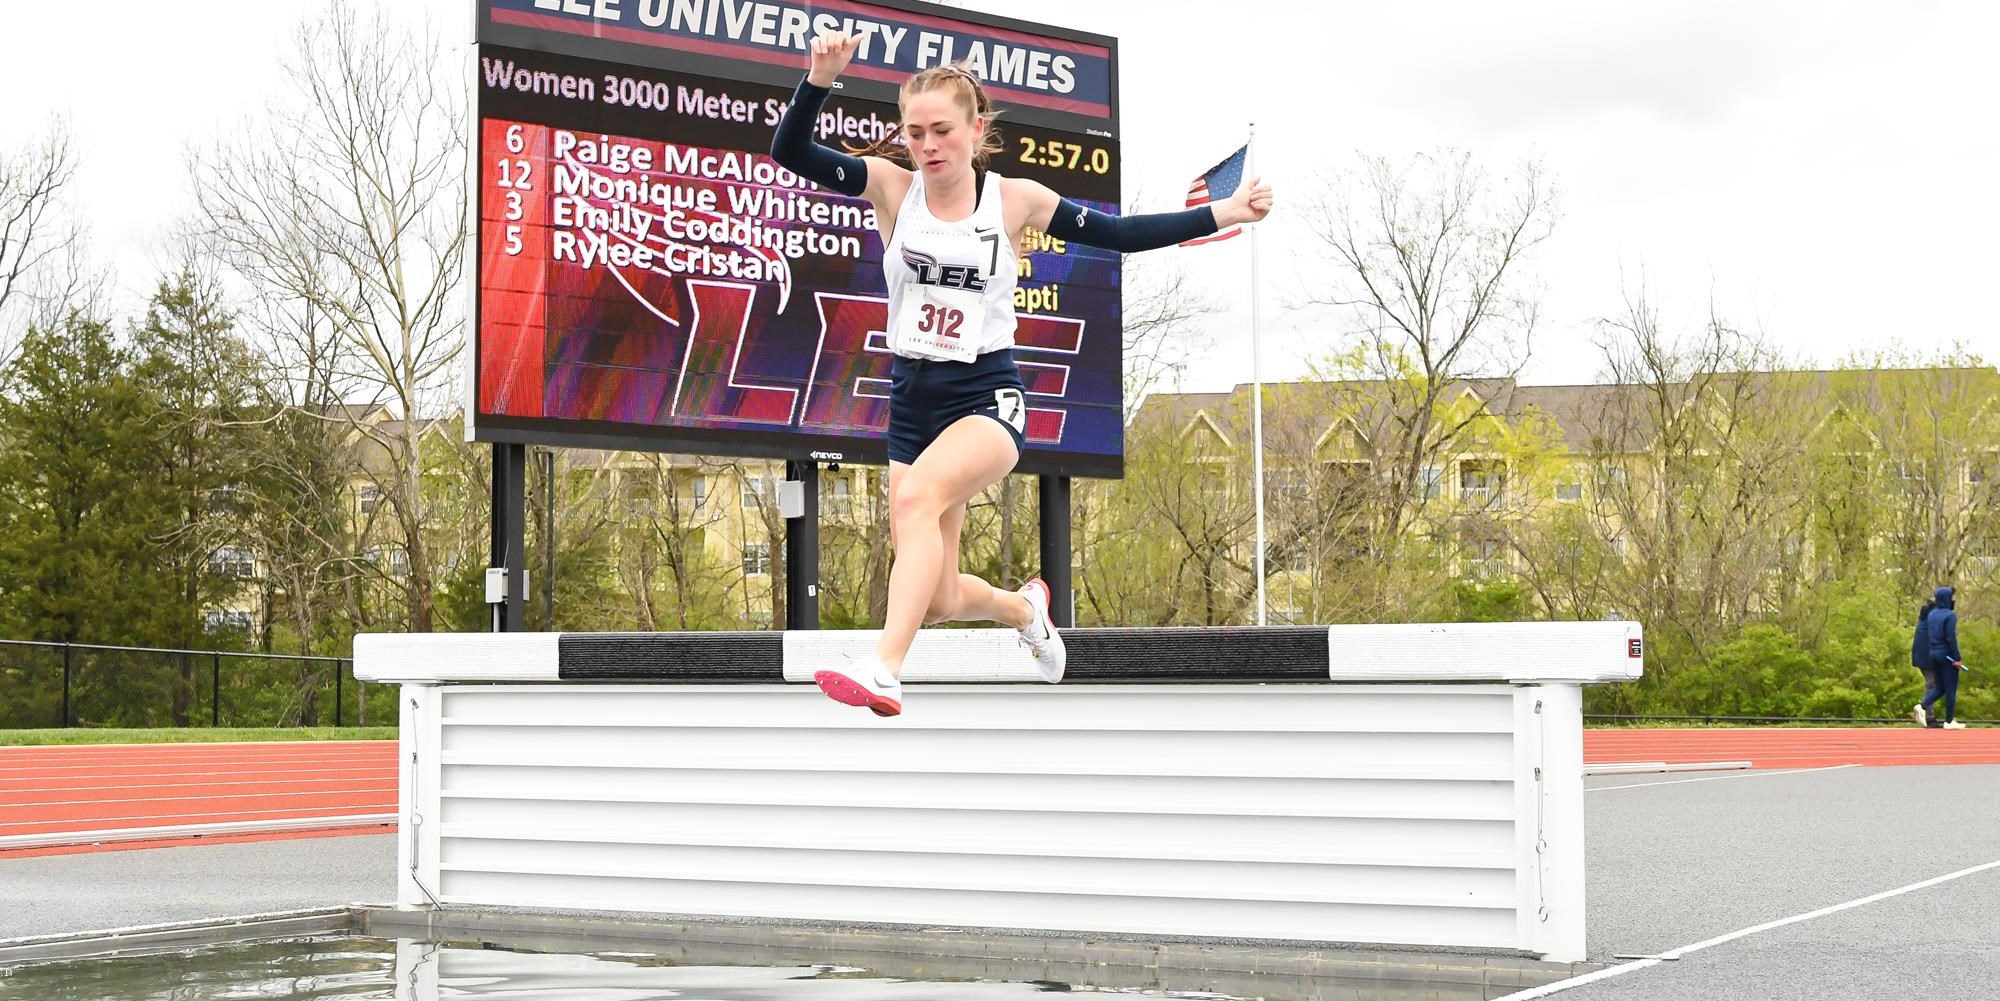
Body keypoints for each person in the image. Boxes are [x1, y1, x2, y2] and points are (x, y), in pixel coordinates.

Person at [771, 31, 1274, 716]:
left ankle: (886, 665)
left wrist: (1224, 211)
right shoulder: (891, 188)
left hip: (986, 396)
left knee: (915, 502)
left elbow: (1118, 235)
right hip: (913, 401)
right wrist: (819, 79)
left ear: (976, 129)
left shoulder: (1014, 201)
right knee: (940, 596)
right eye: (914, 133)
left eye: (942, 130)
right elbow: (791, 153)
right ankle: (1025, 609)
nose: (927, 146)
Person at [1918, 586, 1966, 729]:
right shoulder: (1949, 615)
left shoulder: (1932, 614)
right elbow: (1951, 638)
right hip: (1947, 656)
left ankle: (1922, 706)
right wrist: (1957, 658)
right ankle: (1949, 721)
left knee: (1940, 687)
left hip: (1933, 654)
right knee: (1950, 688)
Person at [1912, 594, 1938, 726]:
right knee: (1933, 685)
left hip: (1923, 655)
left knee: (1933, 684)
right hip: (1928, 656)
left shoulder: (1927, 615)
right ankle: (1926, 712)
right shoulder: (1933, 616)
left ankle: (1928, 714)